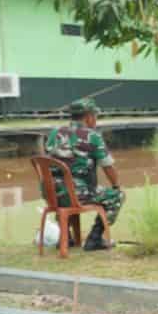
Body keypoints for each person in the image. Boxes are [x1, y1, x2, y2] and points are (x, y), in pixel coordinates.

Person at [42, 98, 123, 250]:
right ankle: (95, 238)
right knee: (117, 196)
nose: (96, 120)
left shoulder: (54, 133)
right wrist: (116, 186)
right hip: (76, 194)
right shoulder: (93, 136)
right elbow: (108, 167)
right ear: (88, 117)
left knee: (63, 189)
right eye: (95, 116)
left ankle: (66, 237)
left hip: (50, 193)